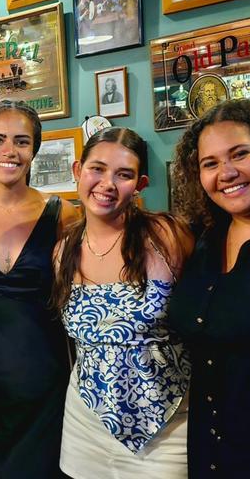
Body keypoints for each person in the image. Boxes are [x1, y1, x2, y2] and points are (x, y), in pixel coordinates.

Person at [52, 127, 193, 478]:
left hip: (169, 423)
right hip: (87, 423)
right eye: (96, 169)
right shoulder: (63, 251)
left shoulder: (168, 236)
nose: (107, 183)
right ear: (77, 171)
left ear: (141, 184)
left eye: (124, 174)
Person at [0, 100, 77, 477]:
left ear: (34, 149)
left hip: (44, 381)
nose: (10, 151)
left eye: (21, 142)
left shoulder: (62, 213)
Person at [168, 99, 250, 477]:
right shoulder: (202, 237)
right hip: (209, 449)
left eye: (240, 154)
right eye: (210, 163)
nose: (226, 172)